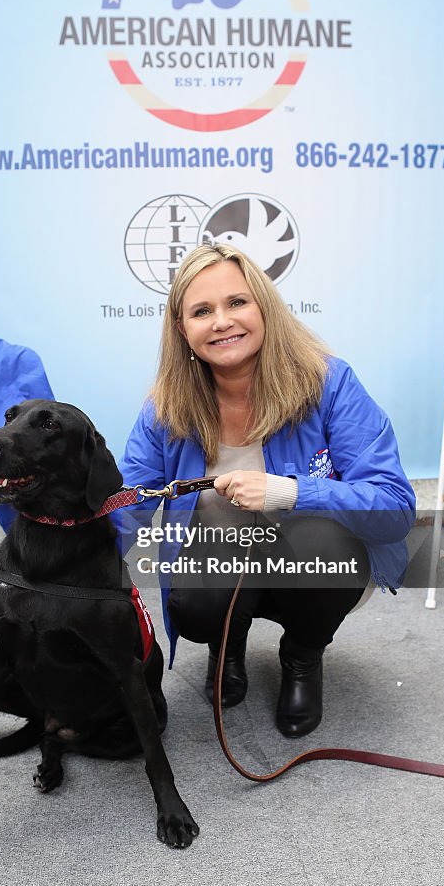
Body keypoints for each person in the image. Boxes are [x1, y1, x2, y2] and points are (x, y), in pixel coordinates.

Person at [117, 243, 415, 738]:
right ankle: (225, 647)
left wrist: (290, 492)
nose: (221, 321)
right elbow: (126, 505)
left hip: (306, 564)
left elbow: (395, 506)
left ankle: (301, 657)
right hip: (223, 564)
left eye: (237, 302)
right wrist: (60, 553)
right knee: (192, 599)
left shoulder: (330, 383)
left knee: (325, 545)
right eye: (201, 311)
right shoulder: (165, 409)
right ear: (182, 331)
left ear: (264, 308)